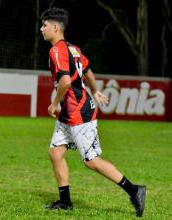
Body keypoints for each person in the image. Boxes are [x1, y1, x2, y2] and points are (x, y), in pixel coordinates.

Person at [40, 7, 146, 217]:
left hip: (78, 112)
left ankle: (135, 190)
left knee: (91, 161)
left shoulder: (57, 50)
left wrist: (54, 103)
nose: (41, 29)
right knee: (55, 152)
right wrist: (95, 91)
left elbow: (64, 81)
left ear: (55, 27)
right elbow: (87, 71)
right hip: (70, 113)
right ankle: (65, 202)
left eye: (44, 25)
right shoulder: (73, 48)